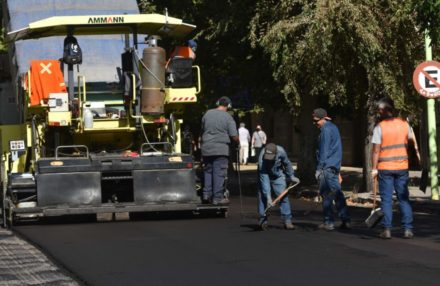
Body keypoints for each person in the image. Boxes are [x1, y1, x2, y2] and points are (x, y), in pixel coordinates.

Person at [371, 97, 418, 239]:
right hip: (402, 166)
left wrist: (374, 168)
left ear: (383, 110)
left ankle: (387, 229)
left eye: (379, 110)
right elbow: (412, 144)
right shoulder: (405, 125)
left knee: (386, 199)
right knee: (403, 198)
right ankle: (408, 229)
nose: (379, 112)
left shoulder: (380, 127)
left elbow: (376, 150)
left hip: (385, 167)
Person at [313, 108, 351, 231]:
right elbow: (336, 150)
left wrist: (319, 169)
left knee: (326, 195)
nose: (315, 124)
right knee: (338, 194)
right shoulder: (333, 127)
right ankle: (346, 220)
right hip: (333, 166)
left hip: (326, 167)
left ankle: (328, 222)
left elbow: (324, 151)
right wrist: (338, 170)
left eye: (316, 121)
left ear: (323, 119)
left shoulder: (325, 130)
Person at [200, 96, 239, 205]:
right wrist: (238, 141)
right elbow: (234, 135)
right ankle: (217, 198)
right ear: (229, 106)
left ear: (218, 103)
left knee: (208, 171)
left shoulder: (207, 114)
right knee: (219, 173)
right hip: (220, 149)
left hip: (207, 148)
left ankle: (206, 195)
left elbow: (202, 129)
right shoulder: (228, 117)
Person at [258, 143, 300, 230]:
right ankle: (263, 220)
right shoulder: (261, 159)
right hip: (265, 175)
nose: (269, 160)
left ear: (276, 153)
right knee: (263, 196)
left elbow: (287, 163)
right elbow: (264, 180)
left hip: (278, 175)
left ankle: (287, 220)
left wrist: (291, 175)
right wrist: (269, 197)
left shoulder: (281, 151)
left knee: (283, 195)